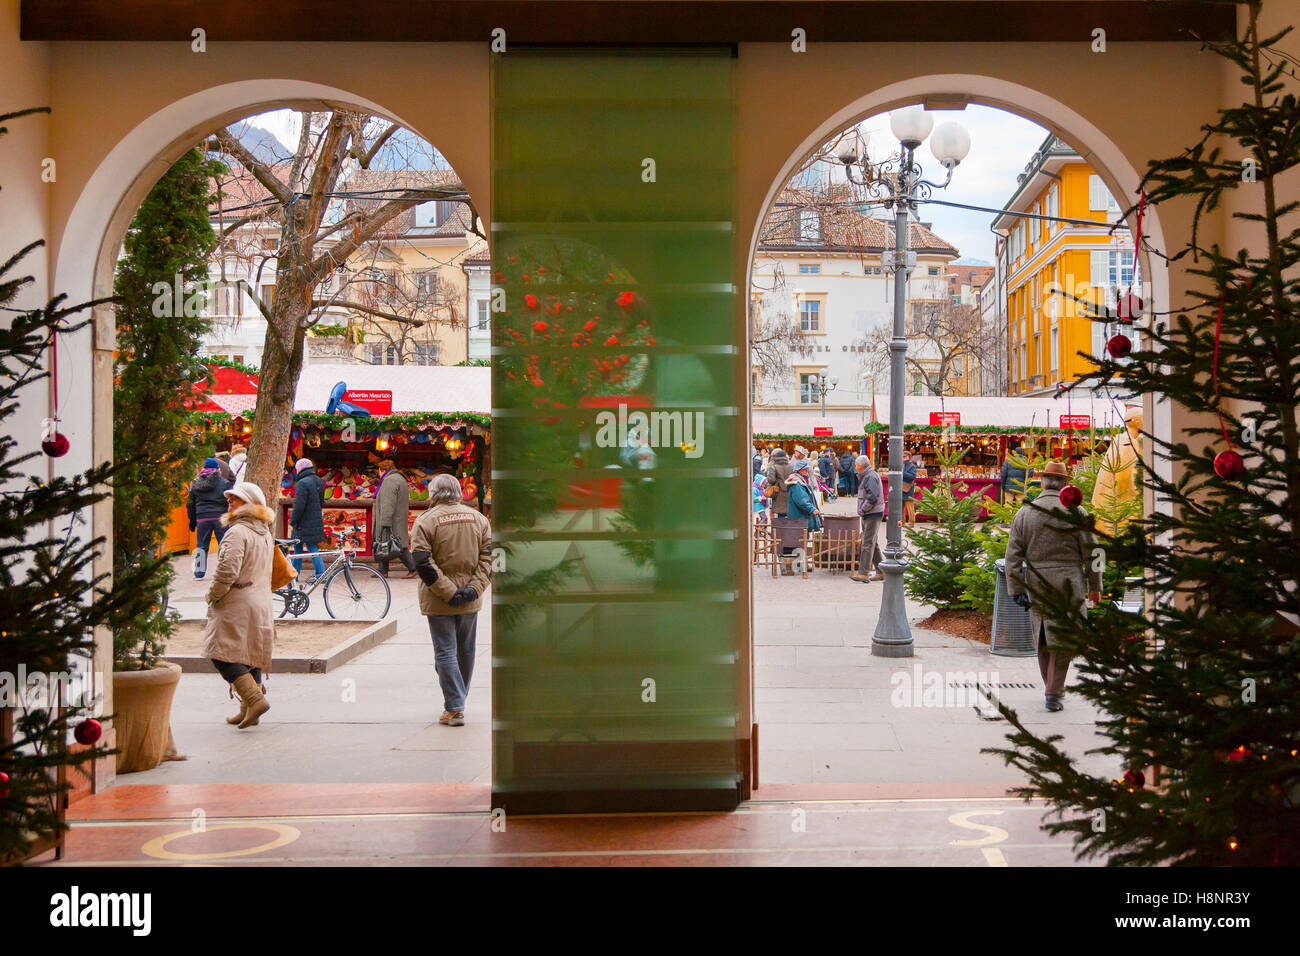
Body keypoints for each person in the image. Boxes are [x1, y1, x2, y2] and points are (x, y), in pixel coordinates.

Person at [1004, 460, 1102, 713]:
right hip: (1070, 584)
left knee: (1044, 638)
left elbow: (1013, 555)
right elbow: (1095, 552)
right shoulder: (1076, 513)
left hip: (1037, 583)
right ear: (1064, 484)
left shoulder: (1025, 512)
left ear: (1043, 481)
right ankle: (1053, 691)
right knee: (1063, 639)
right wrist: (1095, 585)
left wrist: (1016, 589)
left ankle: (1051, 688)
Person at [410, 474, 493, 727]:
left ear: (433, 493)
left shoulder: (425, 521)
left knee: (445, 651)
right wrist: (473, 589)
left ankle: (455, 705)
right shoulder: (479, 519)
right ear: (459, 491)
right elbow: (489, 557)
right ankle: (457, 700)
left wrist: (448, 591)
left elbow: (422, 562)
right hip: (470, 597)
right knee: (465, 650)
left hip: (438, 599)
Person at [201, 481, 276, 729]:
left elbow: (227, 571)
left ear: (248, 504)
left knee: (220, 654)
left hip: (237, 602)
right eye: (229, 498)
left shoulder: (237, 532)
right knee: (248, 653)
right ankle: (247, 707)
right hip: (260, 601)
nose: (229, 502)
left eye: (235, 499)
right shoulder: (264, 532)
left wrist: (213, 595)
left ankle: (254, 699)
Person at [187, 457, 232, 580]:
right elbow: (230, 501)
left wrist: (192, 521)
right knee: (224, 545)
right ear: (217, 469)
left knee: (202, 546)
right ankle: (225, 570)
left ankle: (199, 573)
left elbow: (190, 504)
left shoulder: (196, 484)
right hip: (220, 519)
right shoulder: (224, 483)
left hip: (202, 519)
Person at [373, 459, 416, 578]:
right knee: (384, 543)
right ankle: (382, 571)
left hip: (391, 519)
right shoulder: (399, 478)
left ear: (383, 470)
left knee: (397, 545)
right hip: (398, 517)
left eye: (379, 471)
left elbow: (388, 502)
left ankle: (413, 568)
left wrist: (385, 520)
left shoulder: (389, 481)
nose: (378, 473)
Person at [289, 457, 327, 580]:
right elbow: (321, 502)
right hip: (314, 520)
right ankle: (320, 573)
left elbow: (299, 505)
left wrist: (293, 521)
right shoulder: (319, 481)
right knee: (312, 547)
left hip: (302, 522)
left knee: (297, 549)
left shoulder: (302, 483)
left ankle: (294, 575)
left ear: (299, 469)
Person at [851, 454, 885, 583]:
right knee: (872, 542)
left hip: (872, 513)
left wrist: (863, 509)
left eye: (856, 465)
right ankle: (881, 571)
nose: (855, 467)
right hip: (870, 513)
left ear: (860, 466)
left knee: (867, 543)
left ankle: (863, 573)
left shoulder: (870, 477)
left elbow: (872, 497)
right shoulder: (868, 475)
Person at [784, 460, 822, 533]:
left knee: (802, 538)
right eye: (804, 469)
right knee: (800, 538)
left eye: (807, 468)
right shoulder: (797, 483)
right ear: (798, 470)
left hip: (800, 517)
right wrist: (812, 509)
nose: (807, 470)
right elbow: (801, 501)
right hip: (799, 517)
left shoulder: (801, 481)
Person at [764, 447, 793, 516]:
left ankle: (780, 527)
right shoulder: (791, 466)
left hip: (778, 493)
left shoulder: (774, 467)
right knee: (789, 514)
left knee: (780, 515)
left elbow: (771, 480)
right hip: (790, 492)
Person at [901, 450, 919, 527]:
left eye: (904, 457)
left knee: (910, 508)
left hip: (908, 489)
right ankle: (902, 522)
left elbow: (912, 476)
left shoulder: (912, 466)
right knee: (901, 507)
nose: (902, 458)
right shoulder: (902, 465)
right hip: (901, 488)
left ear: (908, 457)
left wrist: (902, 473)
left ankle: (911, 522)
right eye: (902, 457)